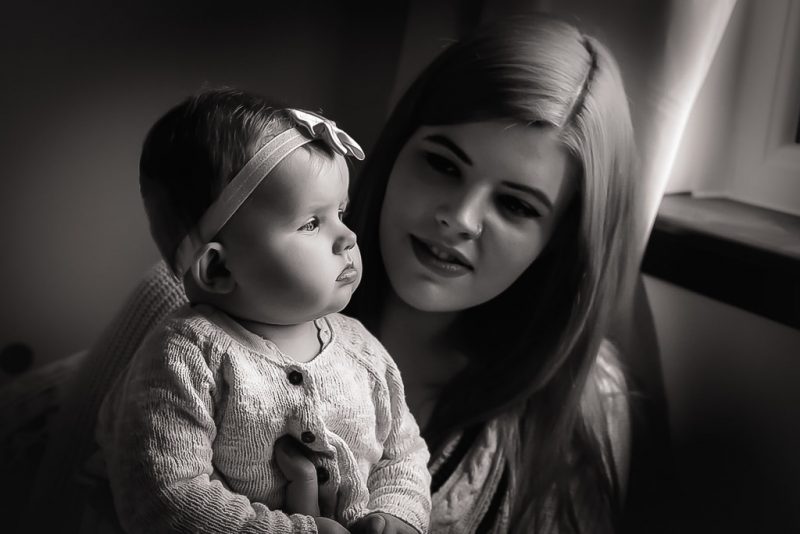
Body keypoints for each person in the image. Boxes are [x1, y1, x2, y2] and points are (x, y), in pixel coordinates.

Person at [28, 13, 635, 534]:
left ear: (560, 242)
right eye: (443, 165)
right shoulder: (185, 311)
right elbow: (53, 508)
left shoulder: (584, 402)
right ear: (397, 151)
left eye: (518, 206)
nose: (459, 218)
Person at [92, 90, 431, 534]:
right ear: (218, 268)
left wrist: (397, 514)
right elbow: (168, 496)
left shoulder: (363, 349)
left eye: (342, 212)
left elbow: (402, 453)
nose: (347, 236)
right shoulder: (187, 356)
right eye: (312, 223)